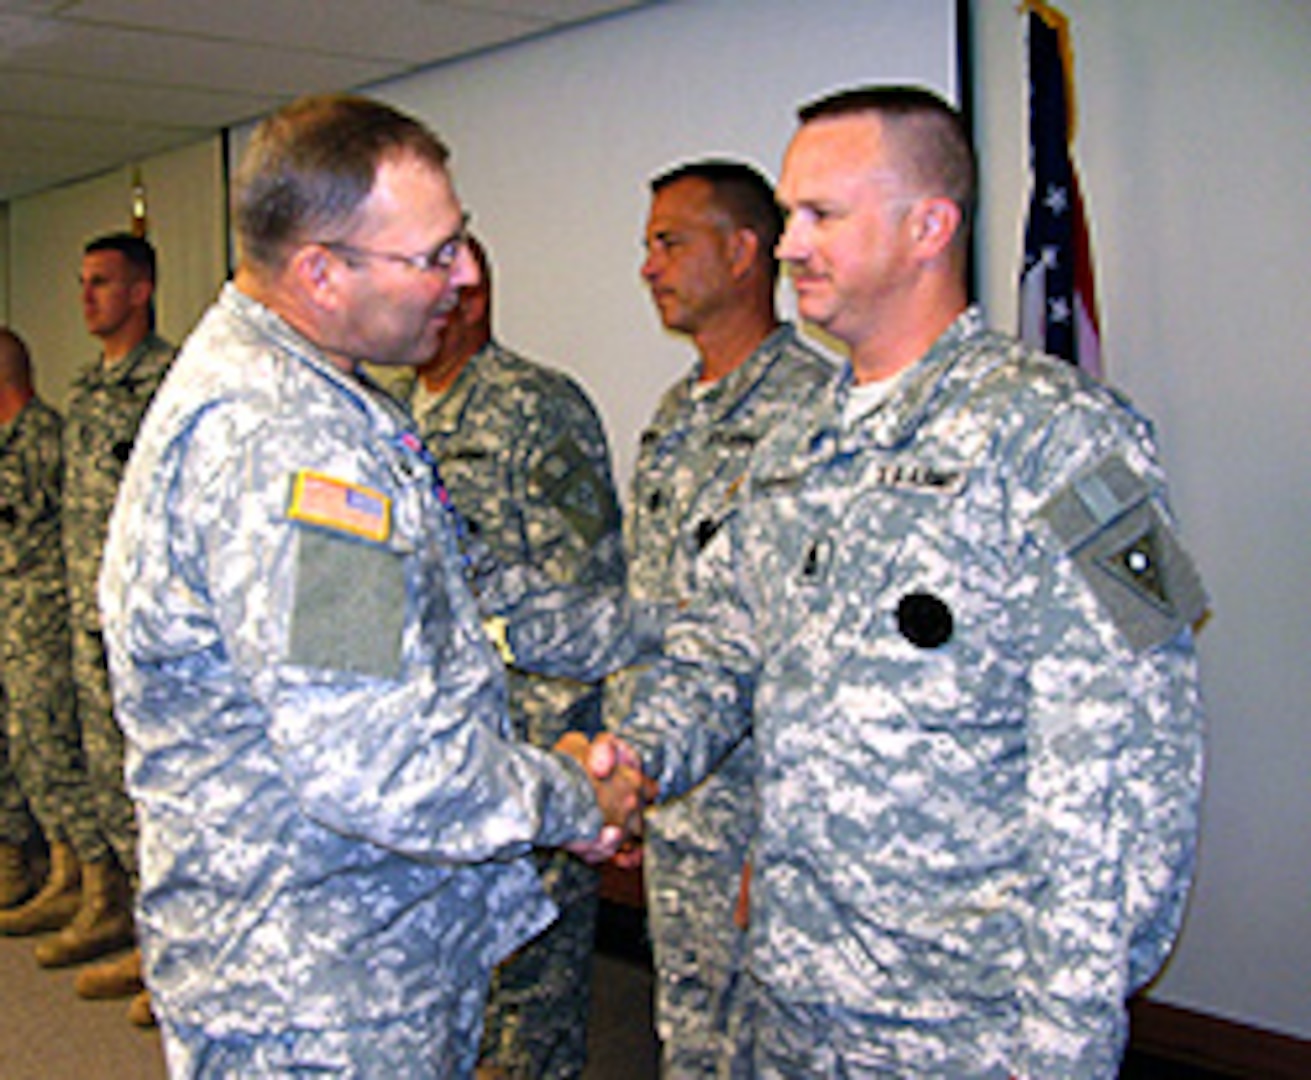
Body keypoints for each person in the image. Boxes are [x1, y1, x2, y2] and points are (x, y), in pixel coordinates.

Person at [595, 85, 1207, 1078]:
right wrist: (636, 761)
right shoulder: (794, 448)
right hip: (792, 1005)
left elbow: (1133, 768)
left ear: (930, 226)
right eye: (788, 215)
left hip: (964, 1032)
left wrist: (1060, 1046)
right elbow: (719, 648)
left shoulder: (1074, 440)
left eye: (820, 216)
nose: (788, 246)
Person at [98, 92, 640, 1076]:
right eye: (434, 255)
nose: (466, 276)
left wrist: (651, 632)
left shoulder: (326, 397)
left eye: (460, 243)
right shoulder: (292, 449)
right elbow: (371, 758)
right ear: (319, 271)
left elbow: (463, 579)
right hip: (319, 994)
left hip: (348, 958)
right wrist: (573, 795)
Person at [614, 158, 831, 1075]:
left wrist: (780, 839)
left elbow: (818, 653)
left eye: (670, 242)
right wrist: (630, 765)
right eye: (646, 245)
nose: (648, 266)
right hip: (673, 803)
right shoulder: (674, 414)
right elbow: (649, 610)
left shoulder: (816, 413)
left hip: (754, 821)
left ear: (745, 253)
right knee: (690, 1036)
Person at [404, 235, 624, 1079]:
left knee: (529, 992)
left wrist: (549, 754)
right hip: (430, 746)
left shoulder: (537, 406)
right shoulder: (386, 412)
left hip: (522, 744)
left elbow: (582, 594)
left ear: (471, 296)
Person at [36, 232, 177, 1025]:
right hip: (88, 621)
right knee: (112, 785)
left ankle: (179, 958)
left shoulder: (170, 382)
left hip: (147, 636)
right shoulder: (87, 391)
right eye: (81, 282)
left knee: (161, 798)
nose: (86, 297)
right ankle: (135, 926)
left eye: (102, 283)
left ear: (141, 290)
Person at [0, 328, 93, 921]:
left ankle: (88, 878)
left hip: (44, 616)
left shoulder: (44, 438)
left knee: (55, 741)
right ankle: (44, 860)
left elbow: (70, 534)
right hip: (12, 614)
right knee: (24, 744)